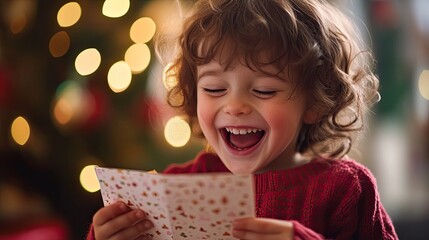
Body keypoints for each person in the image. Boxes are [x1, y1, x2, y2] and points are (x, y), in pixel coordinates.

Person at [87, 0, 398, 239]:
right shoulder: (175, 190)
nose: (234, 105)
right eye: (214, 88)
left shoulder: (346, 189)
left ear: (314, 102)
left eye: (263, 90)